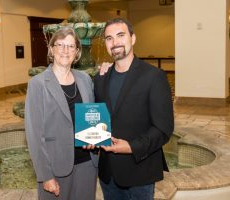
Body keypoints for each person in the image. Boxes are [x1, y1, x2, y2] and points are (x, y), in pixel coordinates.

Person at [94, 18, 174, 200]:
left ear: (133, 38)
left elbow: (163, 129)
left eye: (120, 35)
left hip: (139, 172)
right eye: (109, 38)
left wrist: (131, 147)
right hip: (108, 174)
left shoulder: (154, 77)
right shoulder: (100, 79)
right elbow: (96, 117)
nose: (115, 43)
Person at [25, 26, 97, 200]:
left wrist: (94, 138)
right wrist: (45, 175)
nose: (66, 50)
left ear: (77, 52)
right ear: (51, 49)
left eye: (71, 46)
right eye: (60, 45)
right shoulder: (38, 84)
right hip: (55, 167)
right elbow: (34, 135)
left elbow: (92, 115)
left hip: (87, 164)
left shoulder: (85, 79)